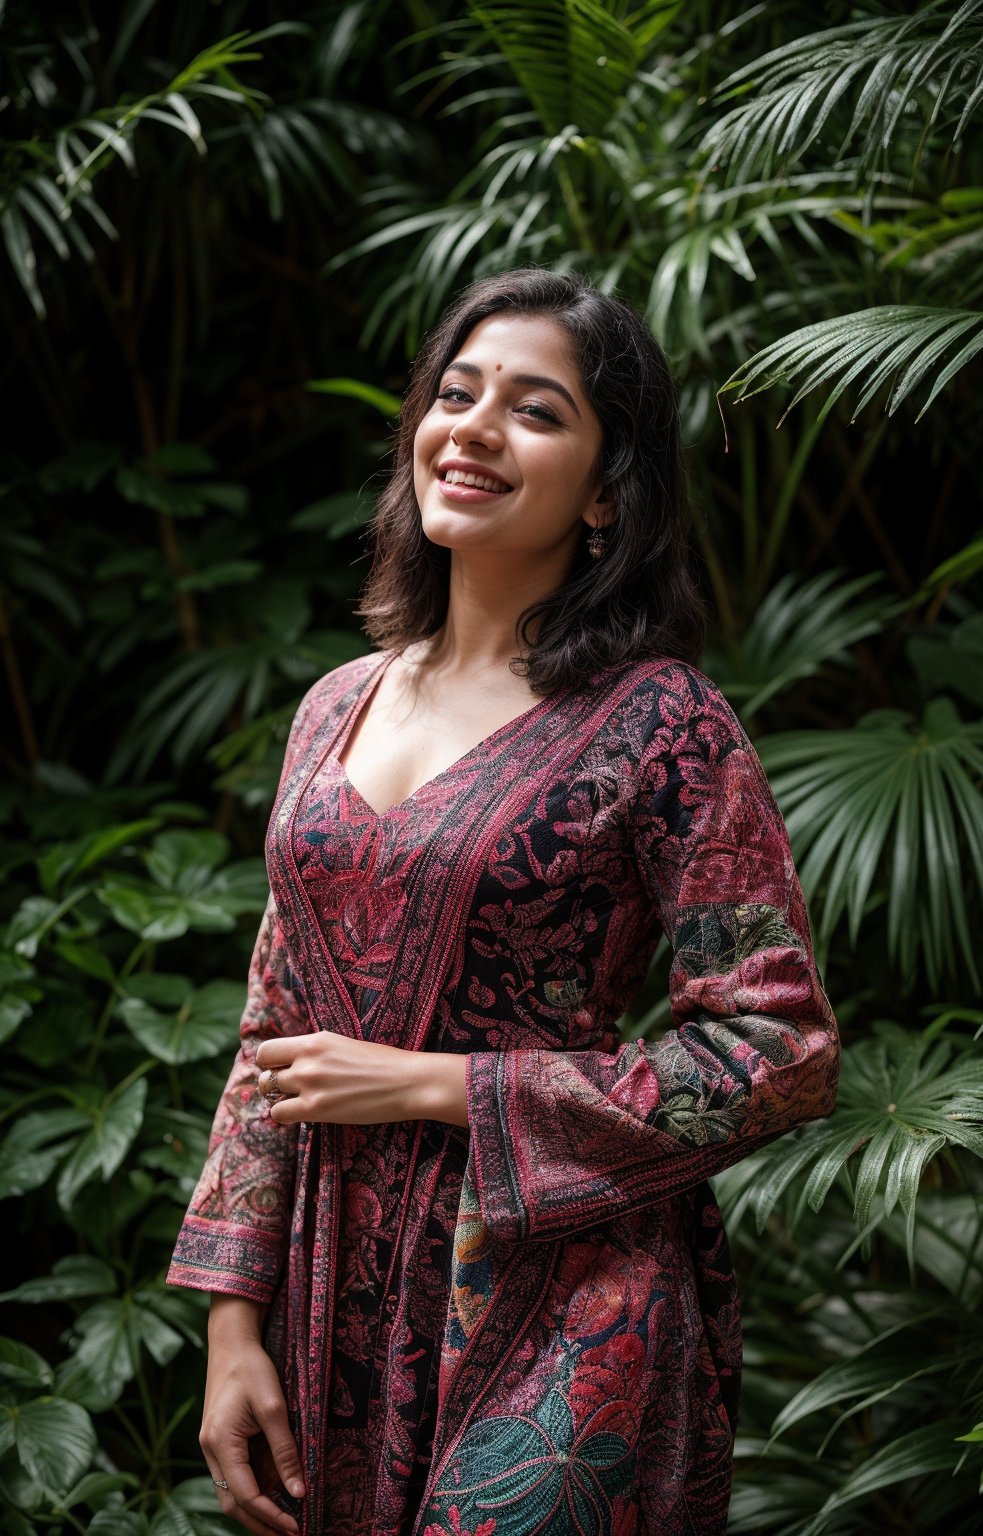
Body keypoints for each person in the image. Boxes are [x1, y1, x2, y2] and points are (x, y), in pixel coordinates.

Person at [167, 267, 840, 1536]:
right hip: (331, 1280)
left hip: (565, 1297)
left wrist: (440, 1085)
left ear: (604, 494)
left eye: (535, 410)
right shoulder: (331, 709)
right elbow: (272, 1034)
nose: (471, 428)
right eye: (455, 393)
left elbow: (777, 1049)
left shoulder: (664, 724)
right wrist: (228, 1320)